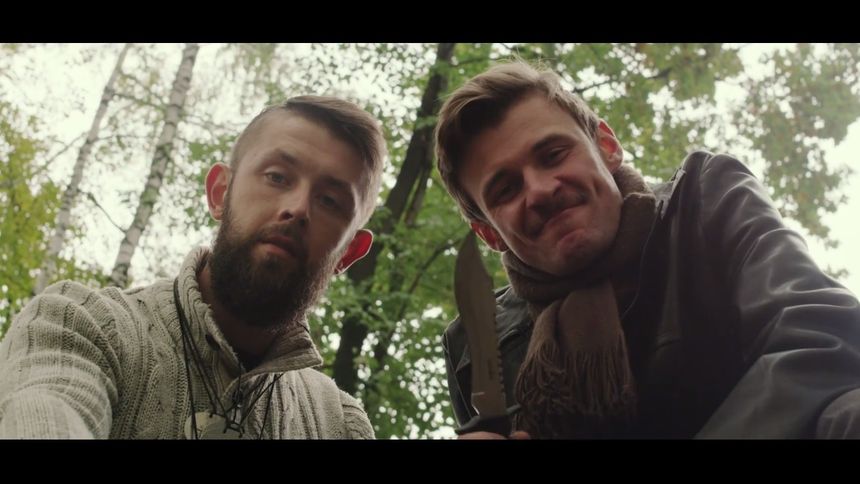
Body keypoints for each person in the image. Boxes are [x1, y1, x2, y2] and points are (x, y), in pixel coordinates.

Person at [434, 61, 860, 438]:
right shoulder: (475, 344)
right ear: (489, 234)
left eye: (553, 154)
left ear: (607, 146)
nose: (541, 190)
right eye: (507, 189)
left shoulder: (703, 201)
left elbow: (822, 344)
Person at [0, 95, 385, 439]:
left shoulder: (340, 424)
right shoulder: (79, 324)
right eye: (277, 177)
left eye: (330, 201)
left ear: (348, 253)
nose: (298, 209)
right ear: (220, 193)